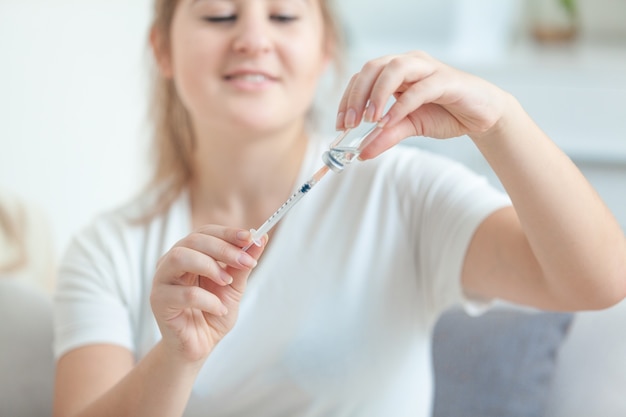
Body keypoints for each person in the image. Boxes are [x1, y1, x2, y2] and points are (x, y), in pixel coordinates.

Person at [52, 1, 626, 416]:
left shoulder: (403, 194)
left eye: (283, 16)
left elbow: (598, 282)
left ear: (326, 48)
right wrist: (176, 358)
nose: (253, 38)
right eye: (218, 15)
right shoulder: (109, 249)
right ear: (162, 48)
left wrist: (501, 121)